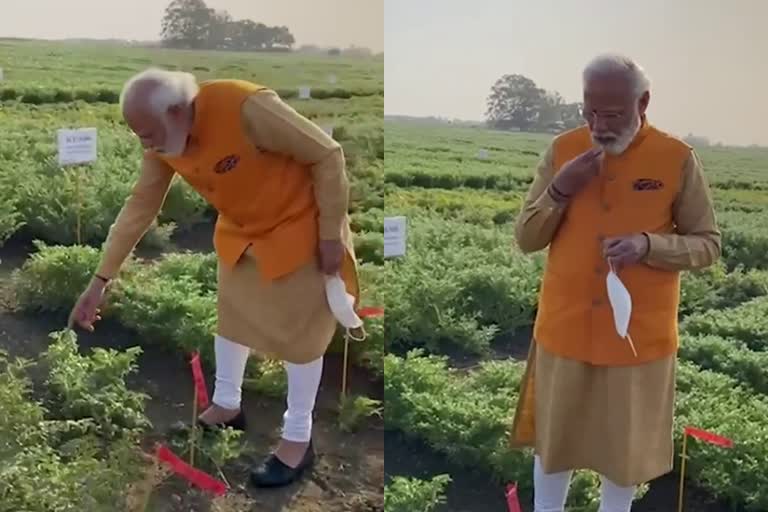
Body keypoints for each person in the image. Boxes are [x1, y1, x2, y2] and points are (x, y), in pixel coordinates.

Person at [68, 68, 360, 488]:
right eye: (138, 135)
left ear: (176, 110)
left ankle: (298, 440)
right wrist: (99, 281)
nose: (144, 143)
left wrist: (331, 233)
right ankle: (227, 405)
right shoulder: (163, 140)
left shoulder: (245, 106)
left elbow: (327, 153)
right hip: (242, 233)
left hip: (300, 226)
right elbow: (140, 206)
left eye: (147, 132)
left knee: (302, 339)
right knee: (232, 322)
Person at [509, 54, 721, 512]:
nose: (599, 125)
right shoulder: (563, 151)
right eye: (589, 111)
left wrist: (650, 246)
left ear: (642, 102)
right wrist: (561, 189)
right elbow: (527, 238)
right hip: (563, 329)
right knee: (553, 445)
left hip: (636, 339)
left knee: (621, 456)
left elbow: (708, 245)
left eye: (612, 114)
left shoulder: (676, 158)